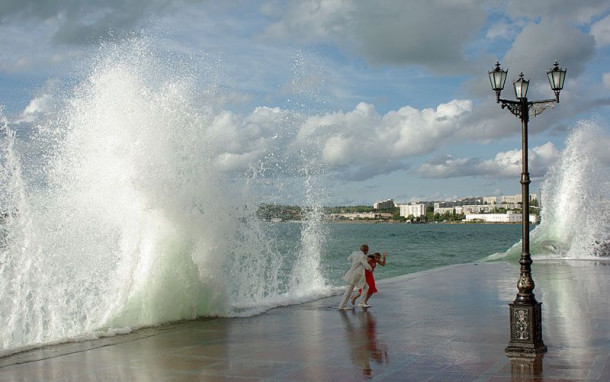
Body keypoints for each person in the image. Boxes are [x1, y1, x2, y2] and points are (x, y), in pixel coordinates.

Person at [338, 244, 373, 310]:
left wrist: (356, 261)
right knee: (365, 287)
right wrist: (370, 268)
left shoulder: (354, 253)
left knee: (350, 290)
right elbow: (366, 265)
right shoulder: (363, 256)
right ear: (366, 250)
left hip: (352, 273)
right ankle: (361, 303)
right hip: (357, 275)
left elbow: (349, 258)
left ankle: (342, 306)